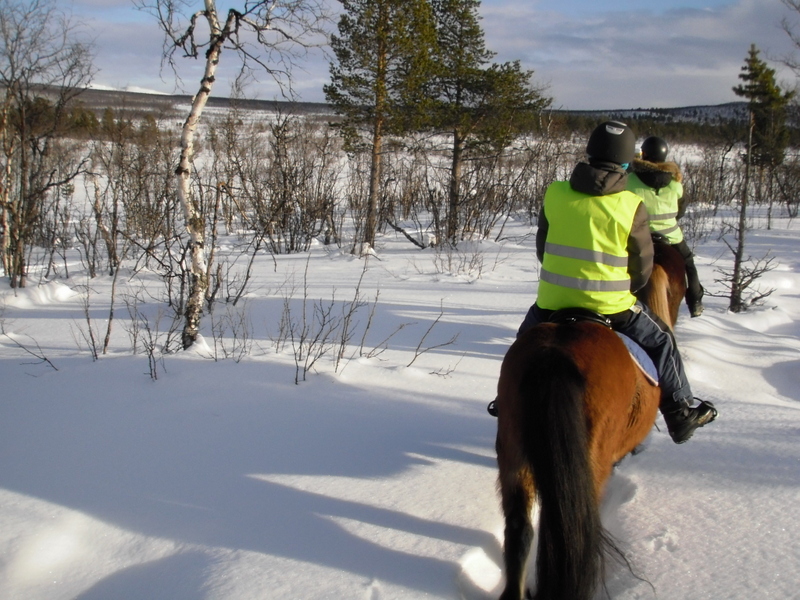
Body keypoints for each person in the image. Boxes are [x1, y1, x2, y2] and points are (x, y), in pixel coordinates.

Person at [514, 121, 716, 444]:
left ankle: (507, 400)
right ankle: (680, 413)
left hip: (552, 302)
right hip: (613, 307)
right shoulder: (630, 205)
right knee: (663, 339)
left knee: (523, 342)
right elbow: (641, 271)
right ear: (625, 164)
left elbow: (543, 249)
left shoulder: (554, 194)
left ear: (590, 153)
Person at [627, 136, 704, 317]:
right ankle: (695, 301)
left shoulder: (629, 181)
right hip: (671, 237)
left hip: (638, 236)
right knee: (688, 263)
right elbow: (680, 211)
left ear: (643, 154)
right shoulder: (675, 183)